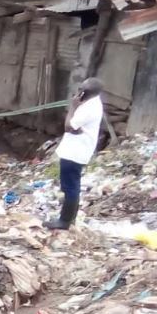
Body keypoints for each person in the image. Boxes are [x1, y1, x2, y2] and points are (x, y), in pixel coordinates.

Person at [48, 77, 104, 231]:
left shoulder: (88, 108)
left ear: (85, 92)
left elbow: (68, 126)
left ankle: (64, 221)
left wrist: (72, 108)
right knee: (72, 186)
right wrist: (74, 127)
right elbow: (74, 128)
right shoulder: (93, 103)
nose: (78, 92)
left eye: (81, 89)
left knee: (70, 187)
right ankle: (69, 219)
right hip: (77, 149)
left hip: (75, 152)